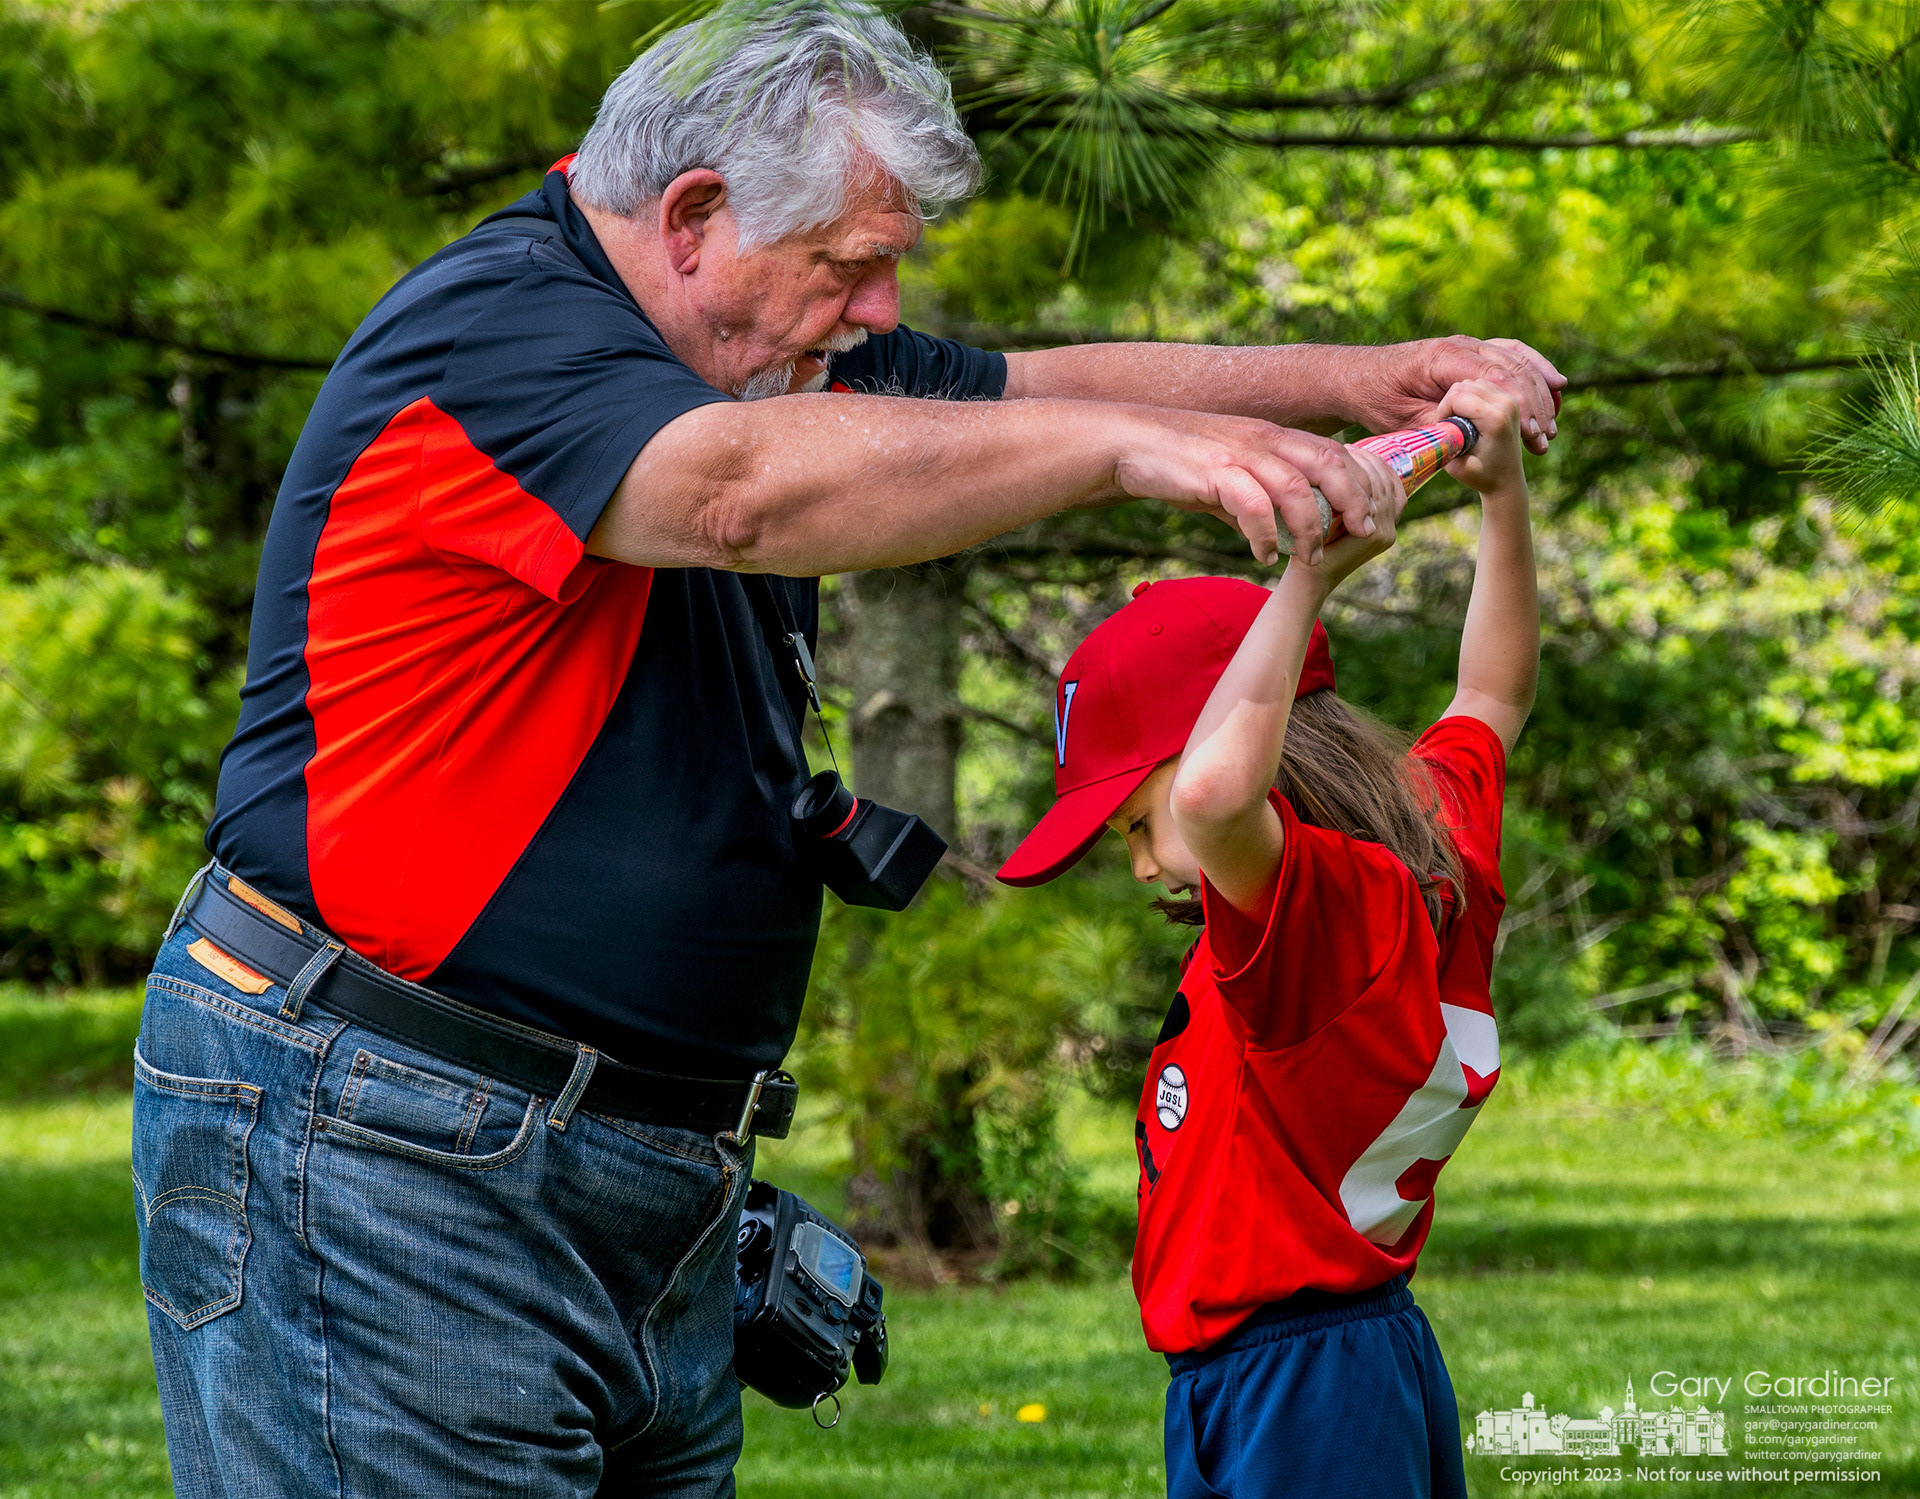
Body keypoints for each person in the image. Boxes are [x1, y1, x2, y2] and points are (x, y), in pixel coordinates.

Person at [131, 0, 1563, 1491]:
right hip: (388, 1148)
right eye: (851, 266)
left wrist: (1359, 382)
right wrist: (1144, 459)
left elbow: (1032, 389)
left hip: (629, 1172)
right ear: (693, 219)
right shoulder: (504, 331)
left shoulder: (759, 359)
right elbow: (739, 495)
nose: (882, 310)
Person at [996, 377, 1540, 1497]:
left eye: (1132, 823)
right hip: (1334, 1358)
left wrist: (1304, 577)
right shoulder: (1428, 833)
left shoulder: (1314, 927)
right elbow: (1492, 689)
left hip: (1295, 1382)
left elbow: (1210, 802)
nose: (1146, 860)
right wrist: (1503, 496)